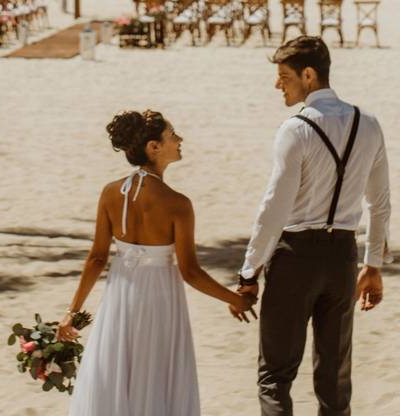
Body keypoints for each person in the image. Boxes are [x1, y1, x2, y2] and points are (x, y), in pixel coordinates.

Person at [59, 110, 256, 416]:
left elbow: (97, 258)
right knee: (156, 374)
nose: (179, 140)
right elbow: (190, 272)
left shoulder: (110, 193)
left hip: (120, 296)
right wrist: (235, 300)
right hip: (160, 298)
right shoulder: (178, 204)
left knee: (118, 372)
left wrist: (71, 313)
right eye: (172, 135)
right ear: (154, 147)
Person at [235, 36, 391, 416]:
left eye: (283, 75)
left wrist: (249, 270)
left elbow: (275, 207)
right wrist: (373, 266)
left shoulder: (296, 129)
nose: (277, 84)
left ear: (309, 75)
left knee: (275, 373)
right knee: (335, 377)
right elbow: (380, 202)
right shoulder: (367, 124)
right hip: (341, 257)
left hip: (295, 258)